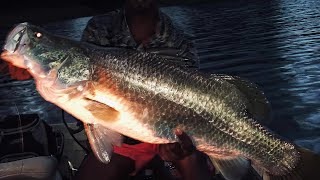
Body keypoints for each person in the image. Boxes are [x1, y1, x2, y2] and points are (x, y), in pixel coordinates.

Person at [76, 0, 214, 179]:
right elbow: (79, 84)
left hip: (170, 133)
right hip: (123, 139)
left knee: (194, 166)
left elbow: (191, 101)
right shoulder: (100, 27)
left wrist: (178, 142)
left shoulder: (179, 39)